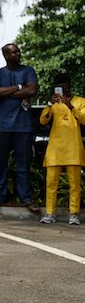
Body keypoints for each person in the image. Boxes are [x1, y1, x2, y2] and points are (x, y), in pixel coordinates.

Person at [0, 43, 40, 213]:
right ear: (6, 55)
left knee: (23, 164)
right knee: (0, 163)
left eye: (18, 51)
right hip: (2, 124)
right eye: (14, 52)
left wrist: (7, 92)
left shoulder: (28, 70)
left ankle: (26, 198)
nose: (18, 54)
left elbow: (32, 91)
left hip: (23, 125)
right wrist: (18, 88)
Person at [38, 74, 85, 225]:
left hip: (74, 148)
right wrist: (50, 104)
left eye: (65, 86)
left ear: (69, 85)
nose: (63, 89)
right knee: (51, 184)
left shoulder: (81, 101)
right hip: (55, 149)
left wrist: (70, 106)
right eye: (59, 86)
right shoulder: (54, 103)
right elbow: (43, 120)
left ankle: (74, 214)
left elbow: (84, 119)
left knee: (74, 185)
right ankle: (50, 214)